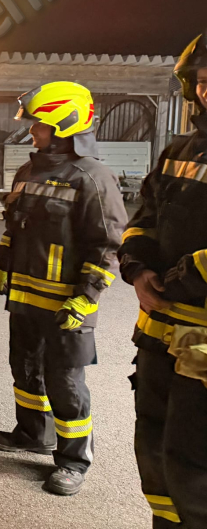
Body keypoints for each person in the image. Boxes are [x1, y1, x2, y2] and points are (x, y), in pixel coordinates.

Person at [0, 81, 126, 496]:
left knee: (64, 382)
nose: (32, 131)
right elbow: (14, 229)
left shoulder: (93, 177)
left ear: (65, 126)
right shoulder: (28, 171)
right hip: (25, 298)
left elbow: (108, 245)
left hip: (68, 304)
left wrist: (86, 298)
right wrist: (2, 266)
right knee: (25, 368)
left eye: (40, 125)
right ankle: (33, 434)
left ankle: (74, 461)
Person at [118, 31, 207, 528]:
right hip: (159, 339)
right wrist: (138, 268)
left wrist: (186, 277)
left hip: (203, 348)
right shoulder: (179, 151)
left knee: (197, 476)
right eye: (202, 80)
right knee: (154, 458)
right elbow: (145, 215)